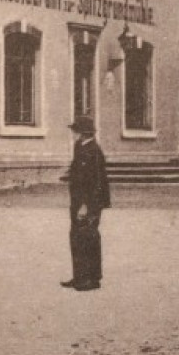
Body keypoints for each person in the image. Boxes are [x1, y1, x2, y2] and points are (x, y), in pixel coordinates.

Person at [63, 115, 111, 291]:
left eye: (75, 131)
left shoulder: (94, 151)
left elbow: (96, 181)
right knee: (76, 237)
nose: (73, 134)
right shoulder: (79, 147)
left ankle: (93, 279)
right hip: (77, 201)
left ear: (83, 133)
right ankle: (79, 276)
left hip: (90, 202)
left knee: (89, 237)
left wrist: (87, 206)